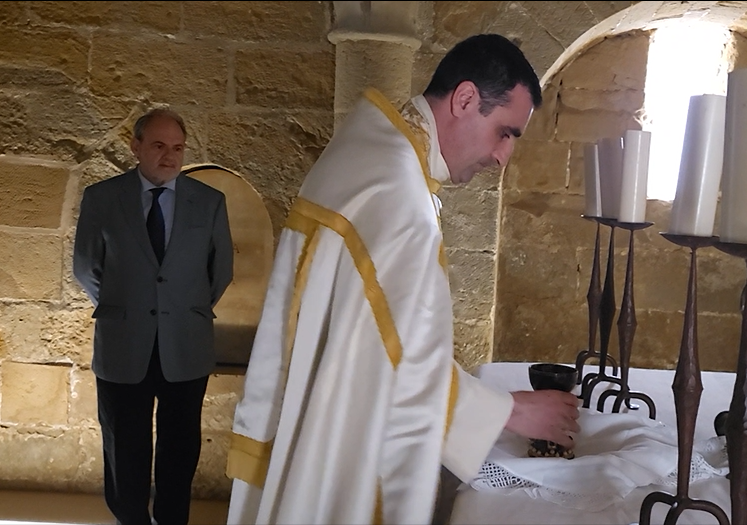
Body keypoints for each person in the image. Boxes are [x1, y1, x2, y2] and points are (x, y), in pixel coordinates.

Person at [225, 34, 580, 525]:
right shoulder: (397, 194)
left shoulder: (374, 151)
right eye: (505, 132)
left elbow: (380, 341)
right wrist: (511, 413)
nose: (503, 158)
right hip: (338, 450)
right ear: (465, 99)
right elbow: (401, 367)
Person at [73, 107, 234, 525]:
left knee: (180, 450)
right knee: (124, 447)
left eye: (177, 148)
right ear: (136, 147)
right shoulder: (102, 199)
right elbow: (87, 267)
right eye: (159, 146)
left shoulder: (210, 202)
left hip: (185, 342)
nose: (170, 156)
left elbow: (220, 271)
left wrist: (182, 309)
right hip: (123, 343)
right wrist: (124, 307)